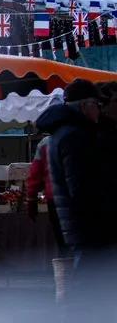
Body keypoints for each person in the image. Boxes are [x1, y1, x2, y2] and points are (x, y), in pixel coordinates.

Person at [34, 79, 114, 315]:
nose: (99, 110)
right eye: (97, 105)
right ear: (85, 105)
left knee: (89, 282)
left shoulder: (63, 133)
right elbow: (81, 186)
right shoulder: (75, 136)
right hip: (89, 223)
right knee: (89, 284)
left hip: (80, 223)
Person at [26, 135, 64, 251]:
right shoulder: (86, 136)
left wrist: (32, 201)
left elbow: (35, 175)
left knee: (62, 242)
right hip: (81, 196)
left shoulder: (45, 143)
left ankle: (64, 261)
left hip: (54, 198)